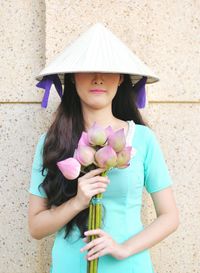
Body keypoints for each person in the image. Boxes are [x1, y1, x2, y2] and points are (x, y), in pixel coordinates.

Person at [28, 23, 179, 273]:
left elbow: (169, 216)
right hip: (70, 266)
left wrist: (123, 248)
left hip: (129, 265)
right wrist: (77, 202)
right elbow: (35, 227)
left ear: (120, 79)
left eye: (108, 70)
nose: (98, 78)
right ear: (73, 77)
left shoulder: (142, 139)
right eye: (88, 70)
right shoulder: (52, 141)